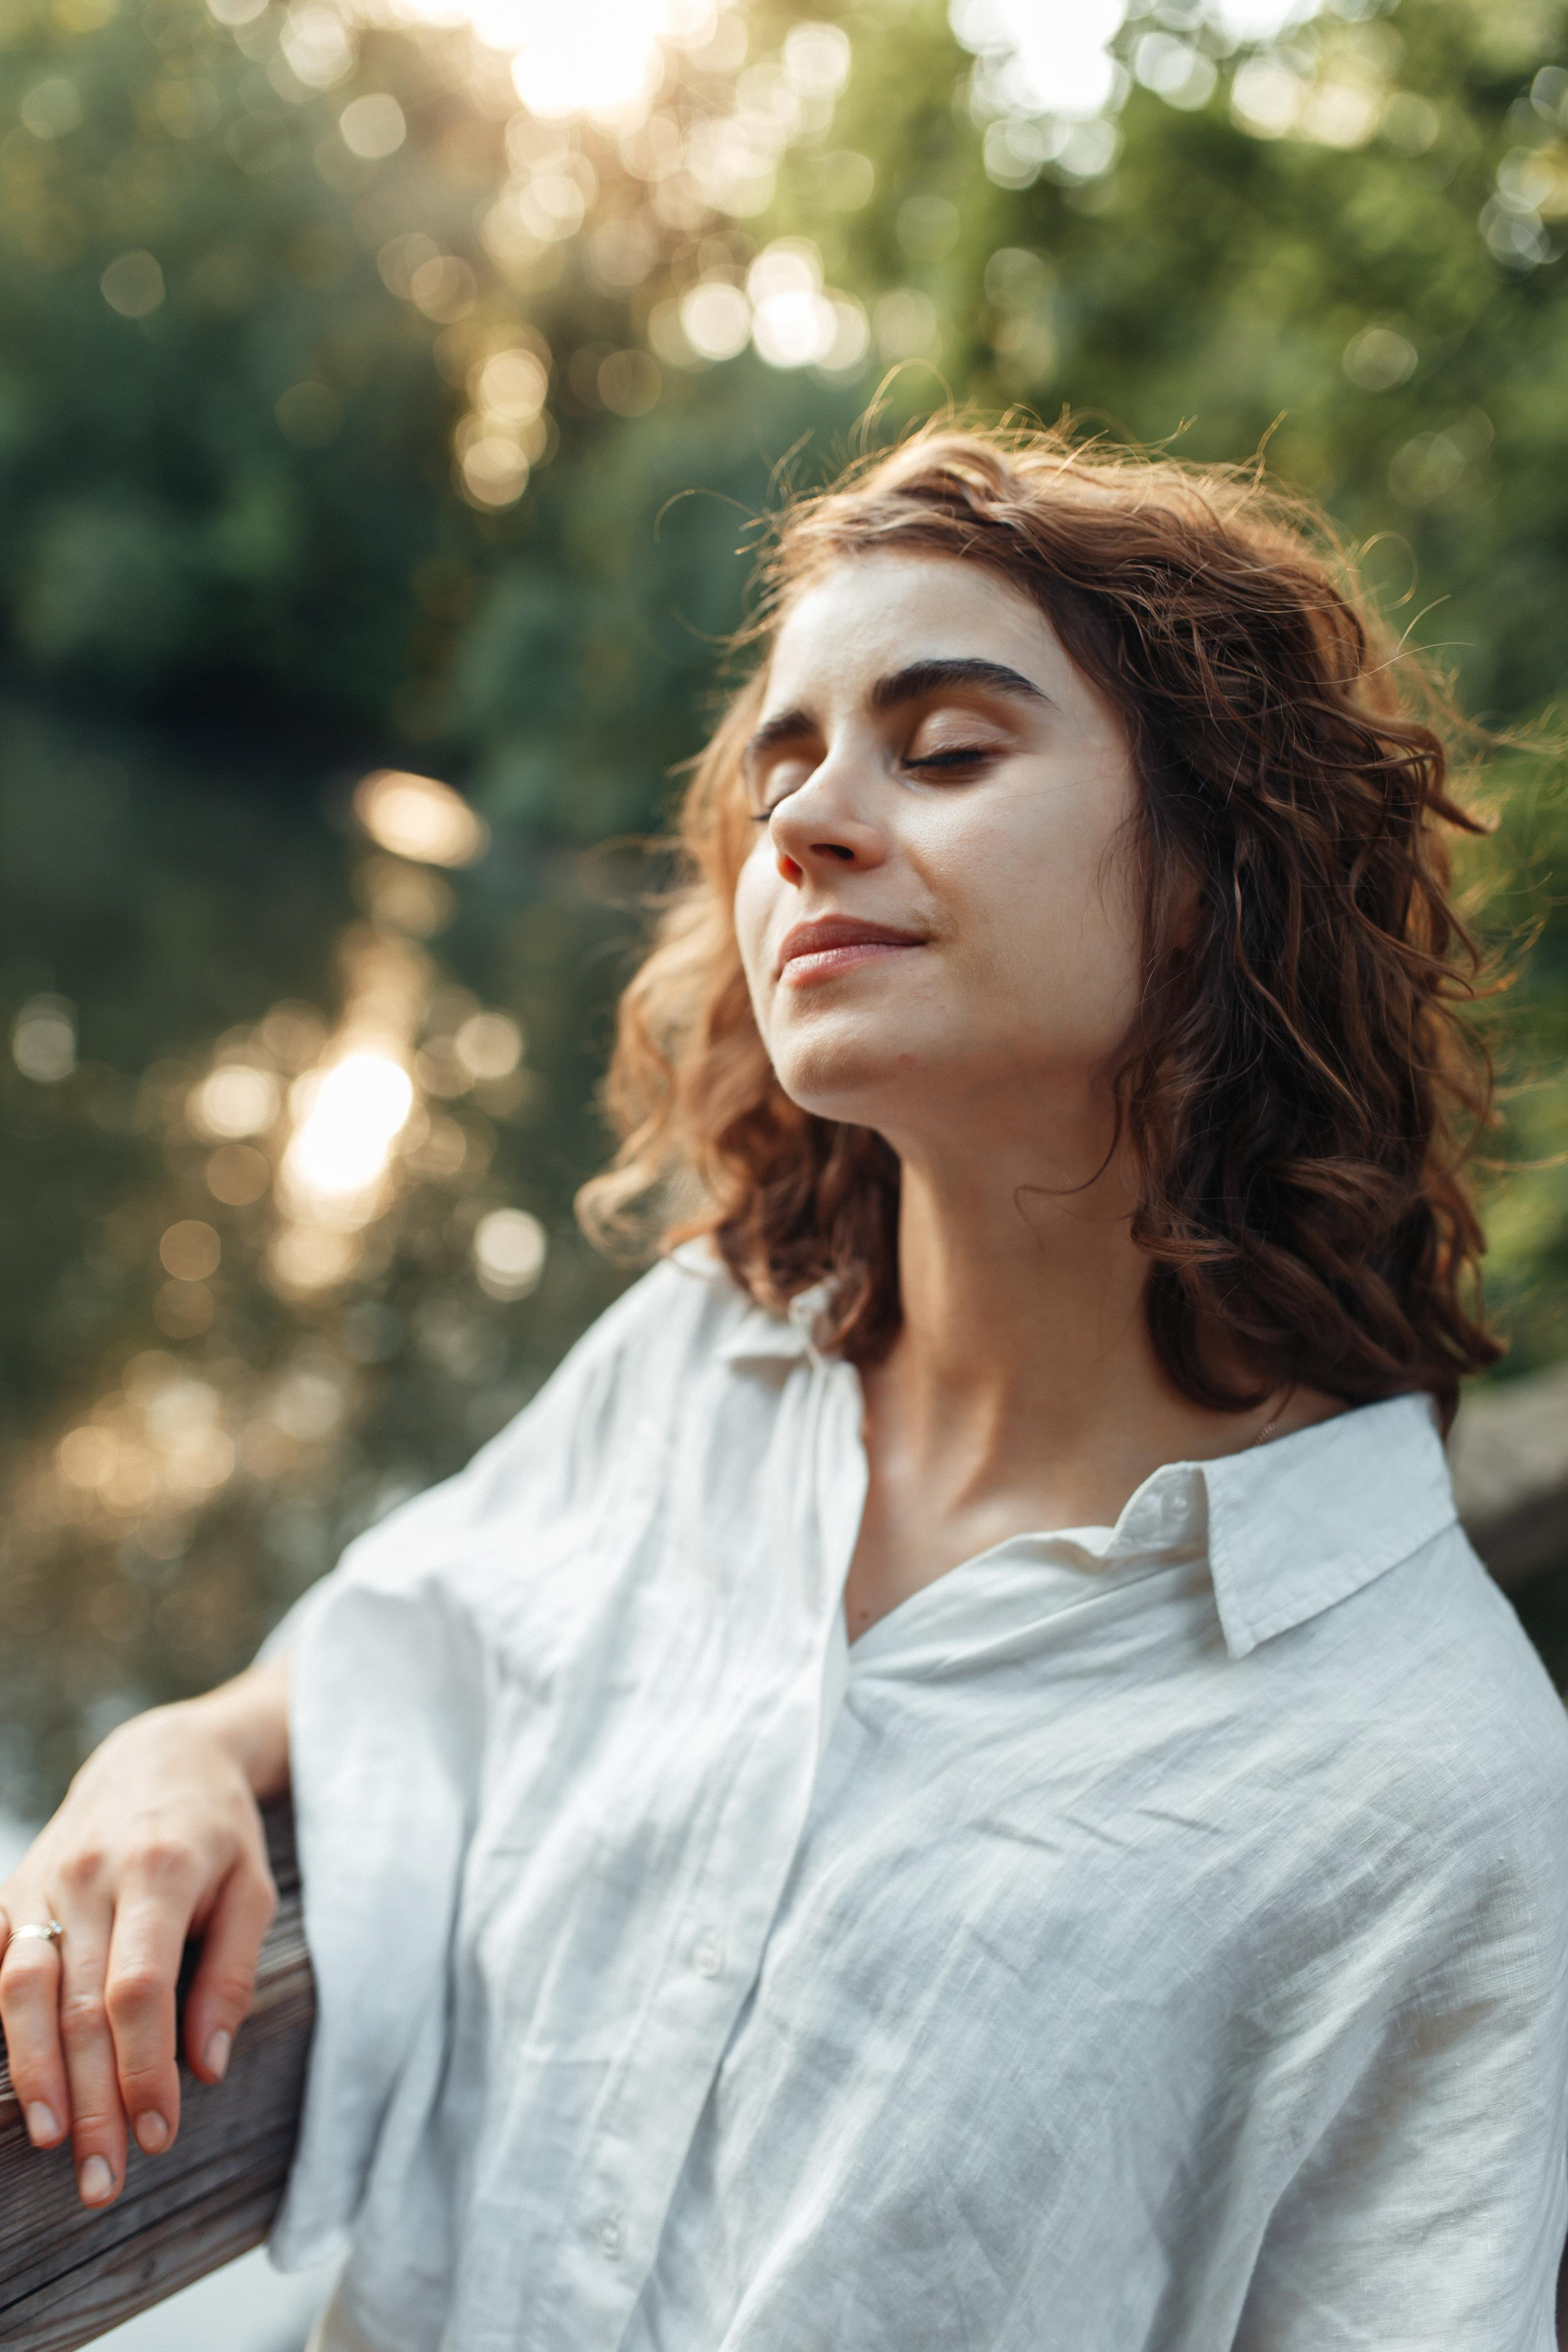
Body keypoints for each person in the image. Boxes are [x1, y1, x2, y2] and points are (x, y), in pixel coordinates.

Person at [2, 423, 1565, 2351]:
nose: (808, 821)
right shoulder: (700, 1366)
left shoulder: (1432, 1788)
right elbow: (430, 1629)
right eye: (785, 758)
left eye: (949, 748)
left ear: (1222, 867)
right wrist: (180, 1751)